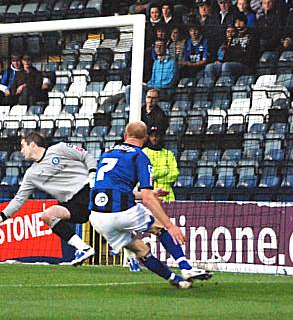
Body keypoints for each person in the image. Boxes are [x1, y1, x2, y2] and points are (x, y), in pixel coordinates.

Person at [89, 121, 212, 288]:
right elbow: (147, 199)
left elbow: (116, 189)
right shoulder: (140, 156)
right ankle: (185, 267)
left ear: (125, 136)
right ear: (145, 138)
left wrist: (146, 194)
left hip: (97, 217)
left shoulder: (107, 154)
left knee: (141, 251)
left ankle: (177, 281)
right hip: (121, 211)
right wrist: (170, 226)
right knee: (159, 227)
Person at [0, 132, 97, 266]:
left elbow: (86, 156)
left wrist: (93, 175)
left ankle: (127, 254)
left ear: (33, 144)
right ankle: (83, 248)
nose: (21, 150)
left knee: (113, 223)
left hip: (90, 190)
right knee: (48, 216)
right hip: (71, 203)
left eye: (23, 146)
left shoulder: (59, 148)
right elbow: (19, 200)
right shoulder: (31, 174)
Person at [143, 127, 179, 202]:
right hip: (147, 194)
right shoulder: (143, 153)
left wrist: (155, 177)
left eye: (157, 136)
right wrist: (164, 170)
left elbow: (174, 174)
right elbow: (143, 174)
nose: (154, 138)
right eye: (152, 136)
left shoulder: (168, 154)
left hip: (167, 195)